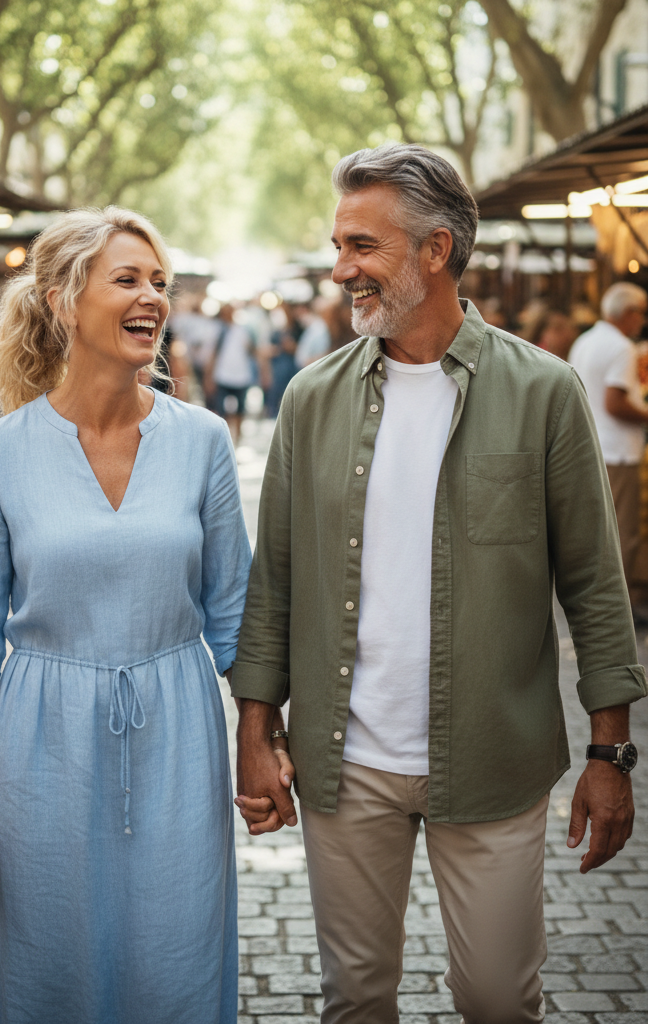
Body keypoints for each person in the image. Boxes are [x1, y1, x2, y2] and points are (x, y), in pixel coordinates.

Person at [230, 143, 646, 1023]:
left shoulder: (545, 392)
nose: (341, 269)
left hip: (494, 758)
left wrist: (610, 755)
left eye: (362, 247)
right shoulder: (310, 399)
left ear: (437, 251)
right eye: (339, 245)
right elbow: (275, 584)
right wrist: (256, 728)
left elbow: (596, 591)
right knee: (355, 999)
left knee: (499, 999)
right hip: (344, 762)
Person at [0, 207, 251, 1023]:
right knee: (46, 965)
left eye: (159, 283)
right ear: (64, 300)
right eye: (128, 279)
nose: (153, 298)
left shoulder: (203, 440)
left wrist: (263, 738)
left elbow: (236, 617)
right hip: (42, 742)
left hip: (178, 733)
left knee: (175, 960)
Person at [568, 283, 648, 599]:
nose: (642, 320)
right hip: (618, 451)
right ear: (628, 313)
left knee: (600, 530)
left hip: (593, 445)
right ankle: (621, 602)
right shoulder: (621, 347)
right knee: (623, 532)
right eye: (641, 313)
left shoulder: (585, 341)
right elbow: (614, 403)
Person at [204, 303, 256, 444]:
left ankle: (237, 440)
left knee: (240, 409)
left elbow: (251, 351)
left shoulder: (242, 330)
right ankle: (225, 440)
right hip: (222, 375)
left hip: (241, 375)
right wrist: (209, 377)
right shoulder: (217, 331)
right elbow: (212, 354)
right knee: (221, 410)